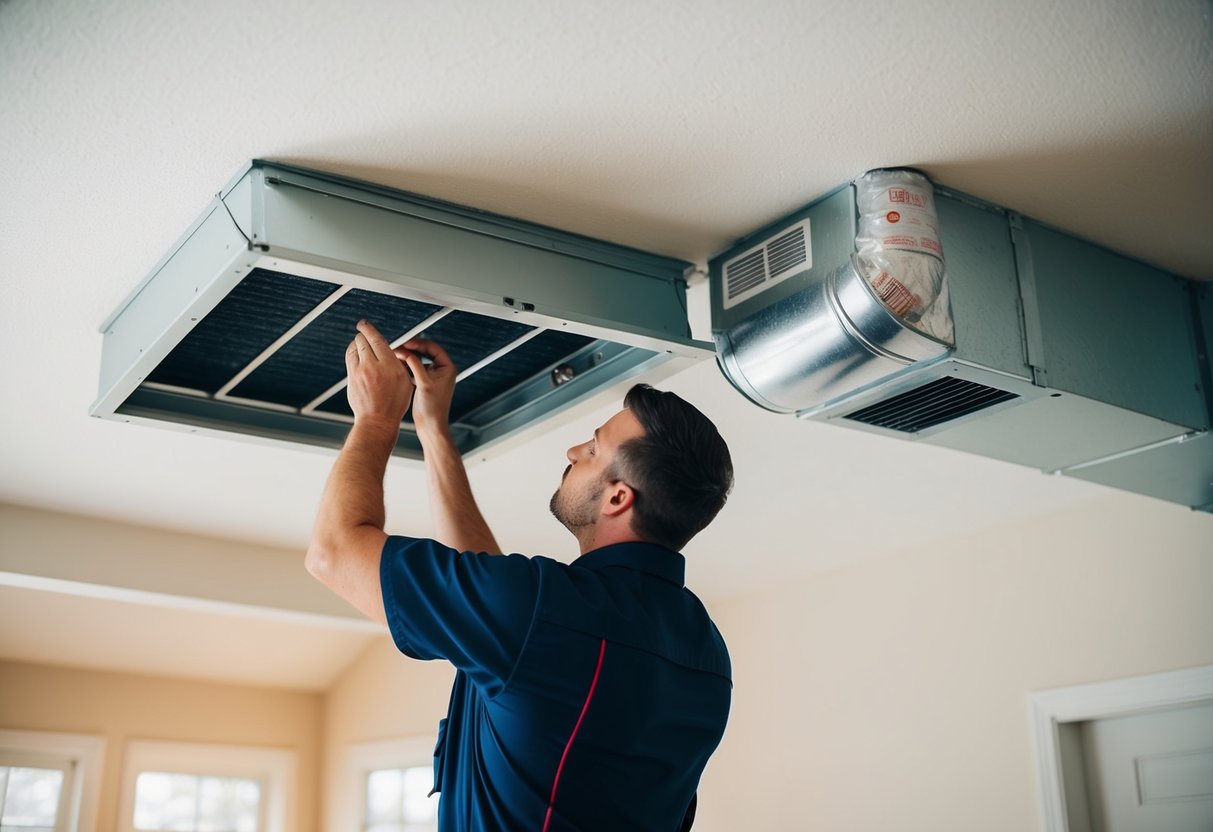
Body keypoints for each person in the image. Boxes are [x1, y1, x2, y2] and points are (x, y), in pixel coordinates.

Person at [307, 320, 734, 831]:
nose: (574, 452)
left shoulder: (543, 612)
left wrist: (376, 419)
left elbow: (335, 553)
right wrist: (432, 430)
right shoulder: (705, 655)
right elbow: (509, 624)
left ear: (620, 497)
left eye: (594, 449)